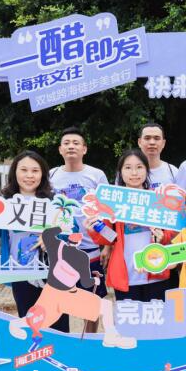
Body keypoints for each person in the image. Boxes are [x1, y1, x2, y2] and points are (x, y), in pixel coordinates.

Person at [0, 150, 69, 332]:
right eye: (24, 170)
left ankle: (60, 351)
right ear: (14, 173)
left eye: (35, 171)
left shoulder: (55, 202)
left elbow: (71, 231)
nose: (29, 175)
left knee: (58, 326)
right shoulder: (5, 203)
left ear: (43, 174)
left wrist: (51, 237)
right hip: (21, 274)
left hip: (54, 273)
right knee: (30, 325)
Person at [86, 149, 175, 302]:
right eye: (128, 168)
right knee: (129, 317)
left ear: (147, 171)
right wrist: (94, 229)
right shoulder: (113, 201)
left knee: (156, 316)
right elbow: (110, 238)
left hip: (155, 270)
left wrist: (163, 237)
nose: (134, 173)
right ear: (120, 173)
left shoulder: (158, 199)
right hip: (126, 274)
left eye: (139, 167)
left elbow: (170, 233)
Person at [49, 127, 109, 300]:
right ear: (60, 149)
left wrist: (107, 246)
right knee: (62, 304)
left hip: (91, 251)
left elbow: (107, 212)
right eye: (66, 143)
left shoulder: (97, 175)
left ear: (84, 149)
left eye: (76, 143)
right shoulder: (51, 175)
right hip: (60, 252)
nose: (71, 146)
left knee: (92, 303)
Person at [137, 123, 179, 189]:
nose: (152, 142)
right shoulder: (127, 171)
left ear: (163, 143)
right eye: (147, 138)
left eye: (156, 138)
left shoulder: (174, 172)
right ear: (139, 142)